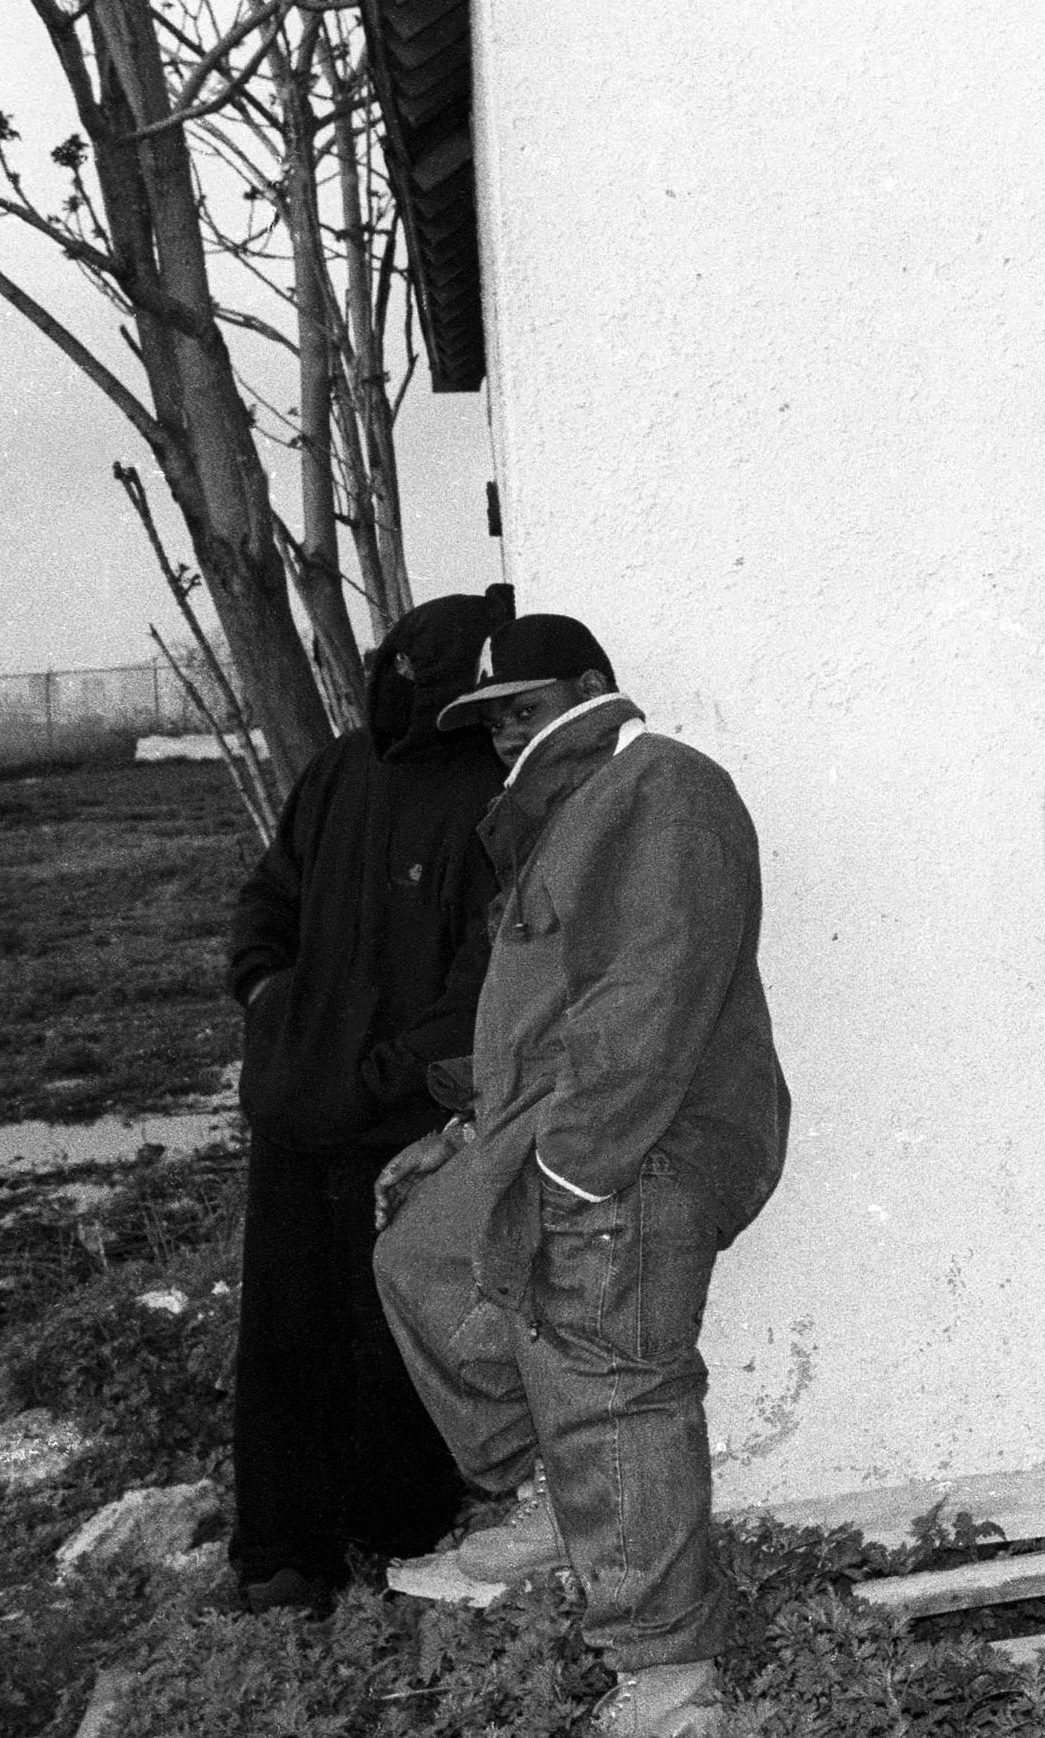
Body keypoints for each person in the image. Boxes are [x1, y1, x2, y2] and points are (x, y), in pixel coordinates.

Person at [372, 613, 789, 1738]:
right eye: (493, 718)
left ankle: (672, 1681)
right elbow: (547, 1015)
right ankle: (552, 1497)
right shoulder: (562, 815)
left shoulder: (664, 790)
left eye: (526, 706)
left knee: (615, 1386)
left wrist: (573, 1175)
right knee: (422, 1257)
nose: (508, 733)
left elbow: (653, 994)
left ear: (594, 688)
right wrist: (467, 1134)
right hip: (554, 1131)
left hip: (641, 1146)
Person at [222, 590, 508, 1616]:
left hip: (397, 1121)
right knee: (288, 1333)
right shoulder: (339, 770)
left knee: (394, 1334)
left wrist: (395, 1078)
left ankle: (397, 1544)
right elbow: (268, 904)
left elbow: (485, 977)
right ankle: (282, 1559)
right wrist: (270, 1001)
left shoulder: (491, 789)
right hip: (301, 1113)